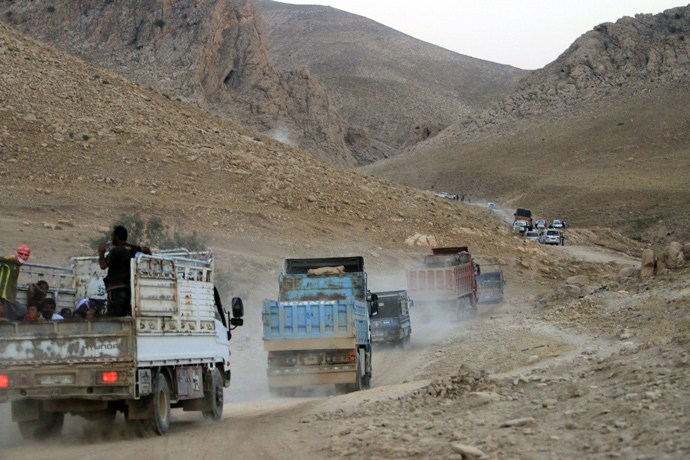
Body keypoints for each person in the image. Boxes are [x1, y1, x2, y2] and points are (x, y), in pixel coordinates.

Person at [98, 226, 151, 317]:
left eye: (112, 235)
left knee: (113, 316)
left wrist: (101, 253)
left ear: (117, 236)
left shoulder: (115, 251)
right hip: (127, 288)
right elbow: (146, 250)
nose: (112, 238)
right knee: (122, 313)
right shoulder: (133, 248)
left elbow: (103, 266)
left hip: (115, 288)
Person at [0, 244, 31, 321]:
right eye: (21, 253)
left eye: (25, 254)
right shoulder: (9, 260)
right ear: (17, 253)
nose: (23, 256)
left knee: (23, 312)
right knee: (9, 319)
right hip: (4, 295)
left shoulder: (17, 264)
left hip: (11, 296)